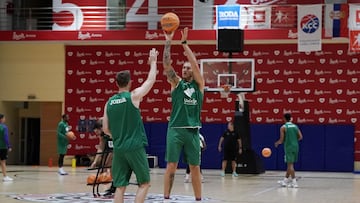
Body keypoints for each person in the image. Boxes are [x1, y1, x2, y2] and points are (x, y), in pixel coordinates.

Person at [102, 47, 158, 203]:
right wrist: (153, 62)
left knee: (120, 186)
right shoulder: (133, 96)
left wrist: (117, 135)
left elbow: (105, 129)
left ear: (116, 83)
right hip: (134, 146)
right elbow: (150, 80)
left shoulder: (109, 102)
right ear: (130, 82)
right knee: (144, 183)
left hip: (119, 148)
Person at [162, 27, 205, 201]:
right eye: (184, 68)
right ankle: (166, 197)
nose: (186, 69)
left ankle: (198, 199)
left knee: (195, 166)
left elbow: (195, 64)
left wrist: (185, 44)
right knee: (172, 165)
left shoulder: (199, 85)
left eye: (188, 68)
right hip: (176, 129)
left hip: (193, 131)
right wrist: (168, 40)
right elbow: (166, 65)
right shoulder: (177, 83)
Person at [275, 113, 303, 188]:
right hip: (296, 146)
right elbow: (300, 137)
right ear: (290, 118)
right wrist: (293, 140)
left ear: (284, 118)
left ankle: (294, 182)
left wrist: (277, 143)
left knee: (290, 165)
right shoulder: (295, 126)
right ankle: (285, 181)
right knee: (289, 164)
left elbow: (281, 140)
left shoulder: (283, 127)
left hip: (289, 147)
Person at [89, 120, 115, 196]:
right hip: (111, 148)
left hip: (120, 147)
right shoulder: (103, 136)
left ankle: (115, 184)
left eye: (97, 132)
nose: (96, 134)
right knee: (105, 164)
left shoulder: (111, 130)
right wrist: (95, 162)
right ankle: (113, 185)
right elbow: (100, 148)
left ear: (101, 128)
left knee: (109, 164)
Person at [0, 114, 13, 182]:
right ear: (1, 119)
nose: (5, 119)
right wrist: (9, 146)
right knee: (3, 162)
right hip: (2, 147)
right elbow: (6, 137)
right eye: (4, 118)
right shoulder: (4, 127)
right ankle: (5, 177)